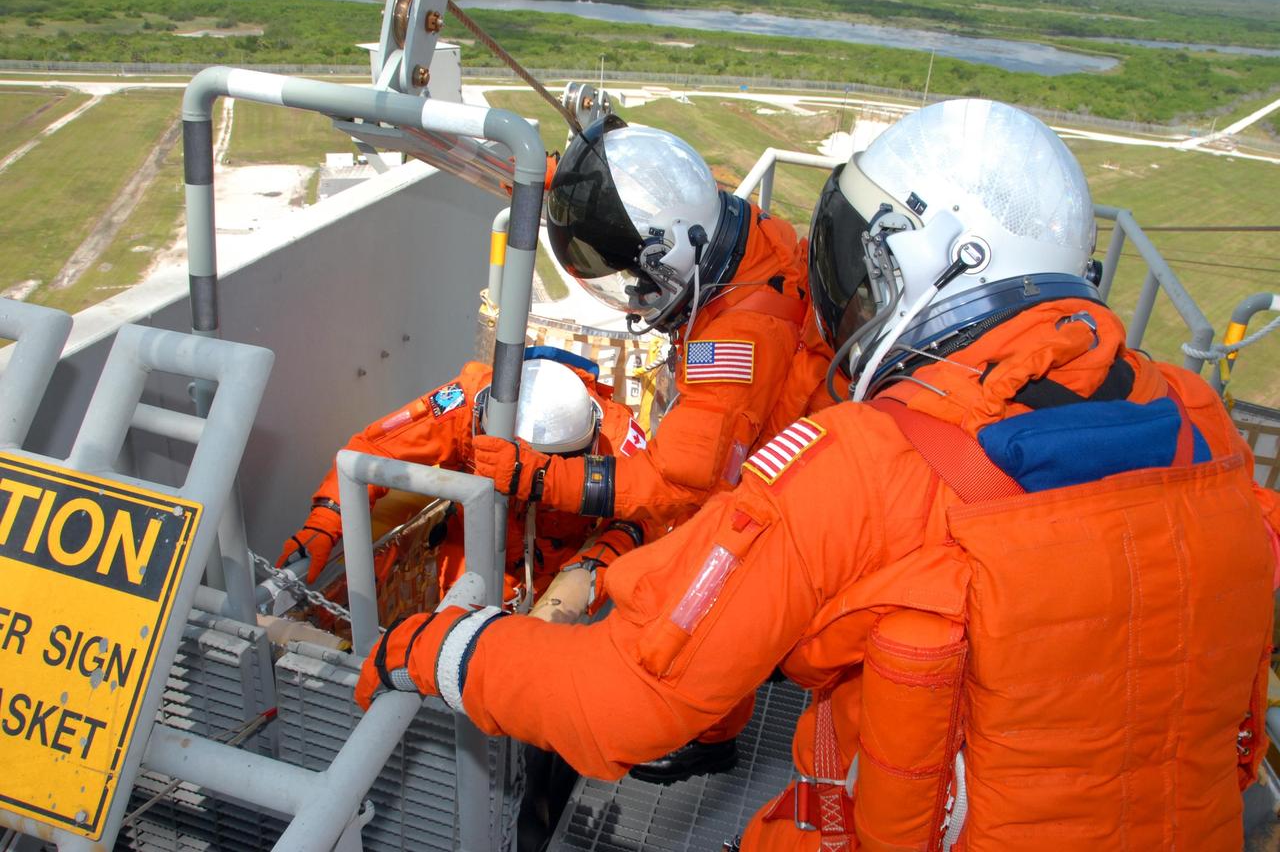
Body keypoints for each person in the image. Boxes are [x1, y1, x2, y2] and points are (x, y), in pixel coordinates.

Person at [354, 98, 1280, 849]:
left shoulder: (864, 466)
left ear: (931, 263)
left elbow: (622, 700)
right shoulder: (1202, 424)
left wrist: (436, 647)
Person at [471, 117, 840, 781]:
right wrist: (580, 196)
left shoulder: (733, 350)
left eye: (636, 282)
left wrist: (541, 478)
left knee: (699, 602)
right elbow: (662, 194)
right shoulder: (749, 242)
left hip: (772, 482)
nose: (637, 301)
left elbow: (678, 482)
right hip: (794, 436)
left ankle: (709, 735)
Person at [277, 349, 650, 619]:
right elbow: (374, 449)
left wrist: (591, 571)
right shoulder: (465, 402)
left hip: (565, 571)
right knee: (455, 627)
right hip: (471, 551)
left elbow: (653, 514)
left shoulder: (620, 441)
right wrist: (326, 518)